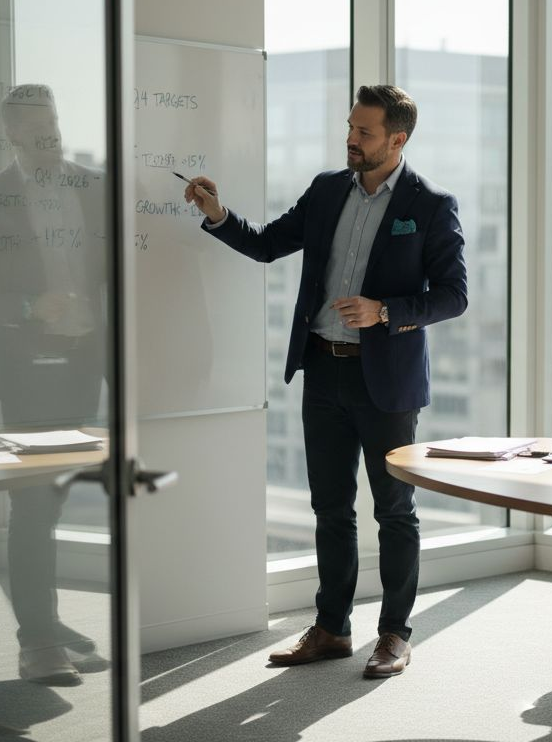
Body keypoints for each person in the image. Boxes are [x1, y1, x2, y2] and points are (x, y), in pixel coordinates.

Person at [186, 85, 467, 679]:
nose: (351, 140)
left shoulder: (431, 205)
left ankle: (394, 634)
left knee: (394, 510)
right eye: (349, 128)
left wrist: (384, 310)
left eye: (364, 132)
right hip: (323, 369)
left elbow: (453, 296)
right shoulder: (325, 189)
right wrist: (217, 214)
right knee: (330, 509)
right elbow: (266, 244)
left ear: (398, 138)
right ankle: (332, 629)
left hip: (384, 381)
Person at [0, 83, 110, 686]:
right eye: (33, 126)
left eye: (51, 120)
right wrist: (32, 305)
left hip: (83, 367)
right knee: (32, 507)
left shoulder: (93, 186)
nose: (48, 134)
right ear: (11, 135)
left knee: (56, 497)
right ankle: (39, 643)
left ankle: (48, 629)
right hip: (25, 372)